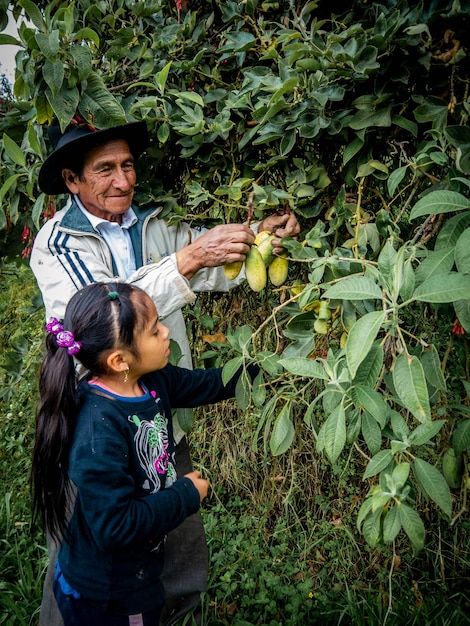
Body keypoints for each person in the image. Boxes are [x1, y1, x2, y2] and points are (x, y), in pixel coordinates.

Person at [29, 116, 300, 624]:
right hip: (102, 427)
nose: (123, 180)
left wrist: (258, 236)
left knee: (177, 562)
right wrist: (190, 258)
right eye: (104, 169)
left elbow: (215, 264)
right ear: (72, 180)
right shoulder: (57, 244)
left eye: (128, 165)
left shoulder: (154, 225)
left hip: (157, 418)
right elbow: (107, 316)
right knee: (90, 567)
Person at [31, 281, 258, 625]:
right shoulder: (97, 431)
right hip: (109, 595)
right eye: (154, 331)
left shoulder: (152, 380)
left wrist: (261, 370)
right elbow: (115, 525)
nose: (167, 332)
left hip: (137, 572)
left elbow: (206, 384)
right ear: (120, 359)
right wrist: (184, 494)